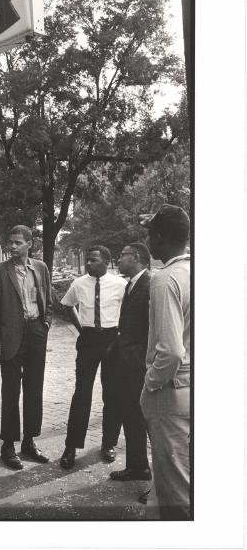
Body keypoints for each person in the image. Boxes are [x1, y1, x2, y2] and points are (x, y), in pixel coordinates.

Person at [0, 225, 53, 470]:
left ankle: (29, 442)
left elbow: (48, 299)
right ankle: (8, 446)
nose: (12, 247)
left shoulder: (41, 268)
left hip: (36, 334)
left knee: (34, 390)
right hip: (11, 339)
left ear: (29, 244)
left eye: (17, 243)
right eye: (10, 242)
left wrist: (45, 324)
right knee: (11, 393)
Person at [139, 204, 191, 520]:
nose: (148, 243)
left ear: (159, 237)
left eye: (150, 235)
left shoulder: (165, 279)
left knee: (176, 491)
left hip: (170, 391)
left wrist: (151, 383)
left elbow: (170, 351)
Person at [59, 245, 126, 470]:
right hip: (88, 340)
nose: (88, 264)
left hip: (112, 340)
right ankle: (71, 446)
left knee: (114, 393)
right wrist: (81, 329)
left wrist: (120, 334)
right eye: (87, 260)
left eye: (93, 260)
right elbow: (68, 306)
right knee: (82, 393)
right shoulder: (79, 283)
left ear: (106, 262)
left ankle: (109, 443)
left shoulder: (120, 284)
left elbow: (128, 311)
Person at [109, 243, 152, 482]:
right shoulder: (132, 284)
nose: (120, 258)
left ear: (135, 258)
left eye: (123, 255)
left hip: (138, 366)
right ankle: (138, 467)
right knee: (131, 415)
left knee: (142, 419)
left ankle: (153, 475)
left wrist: (138, 358)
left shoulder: (149, 285)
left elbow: (151, 329)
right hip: (127, 363)